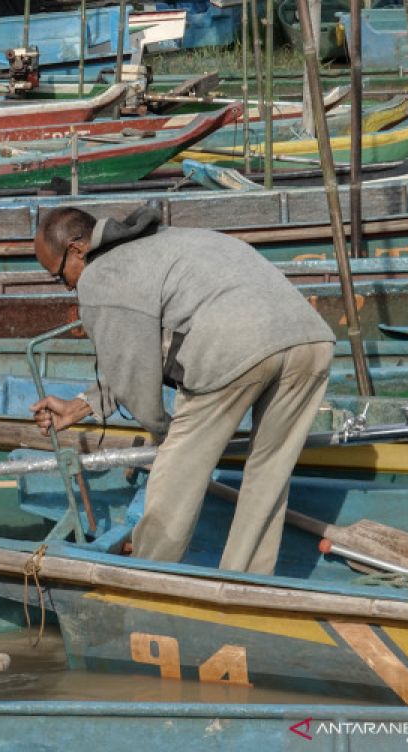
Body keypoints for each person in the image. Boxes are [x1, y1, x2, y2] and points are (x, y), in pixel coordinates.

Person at [30, 206, 334, 575]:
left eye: (61, 277)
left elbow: (136, 382)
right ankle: (247, 587)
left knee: (175, 475)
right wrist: (83, 406)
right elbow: (144, 355)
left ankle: (146, 578)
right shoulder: (169, 239)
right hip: (311, 339)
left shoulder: (99, 277)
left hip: (233, 347)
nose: (70, 287)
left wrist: (168, 436)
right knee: (268, 477)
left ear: (78, 249)